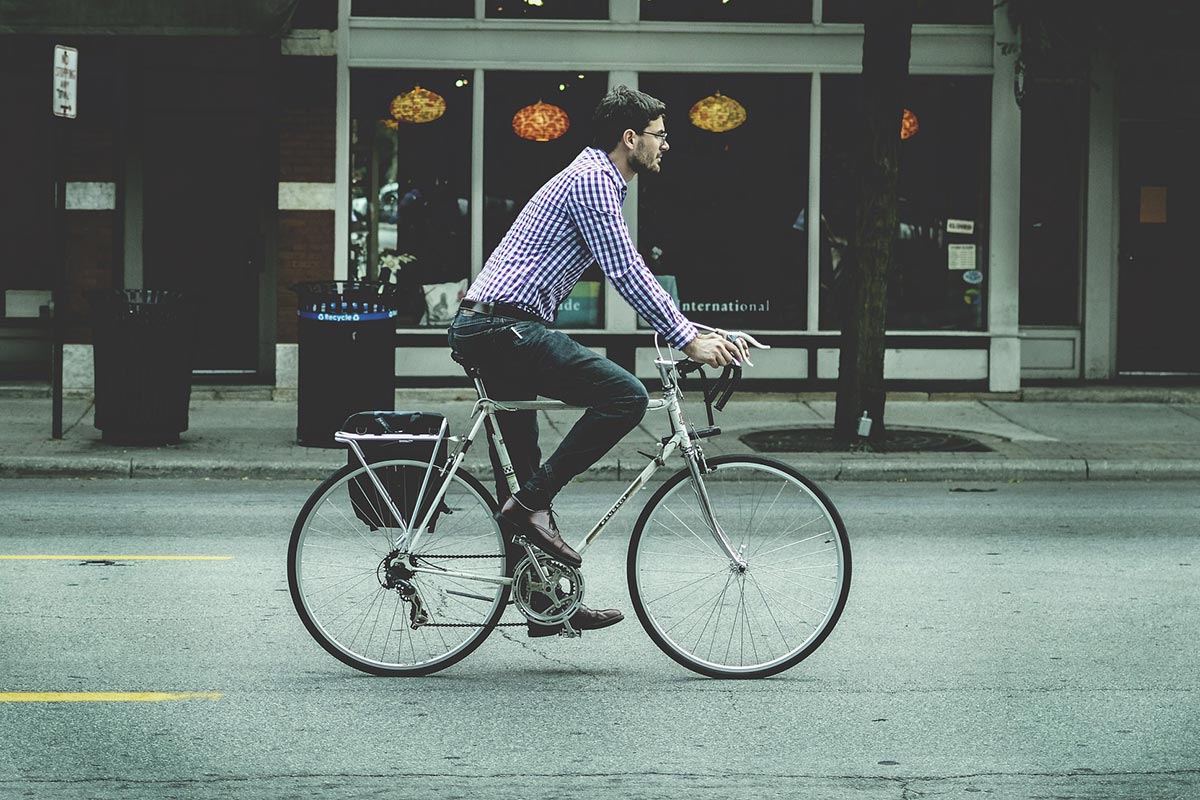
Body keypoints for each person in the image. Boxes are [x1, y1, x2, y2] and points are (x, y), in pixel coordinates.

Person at [447, 85, 748, 638]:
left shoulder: (597, 180)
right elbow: (627, 271)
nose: (666, 144)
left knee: (526, 468)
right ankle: (528, 510)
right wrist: (686, 340)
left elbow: (631, 272)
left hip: (500, 326)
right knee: (625, 396)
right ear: (629, 138)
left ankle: (544, 601)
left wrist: (705, 332)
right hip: (502, 327)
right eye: (659, 134)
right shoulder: (593, 182)